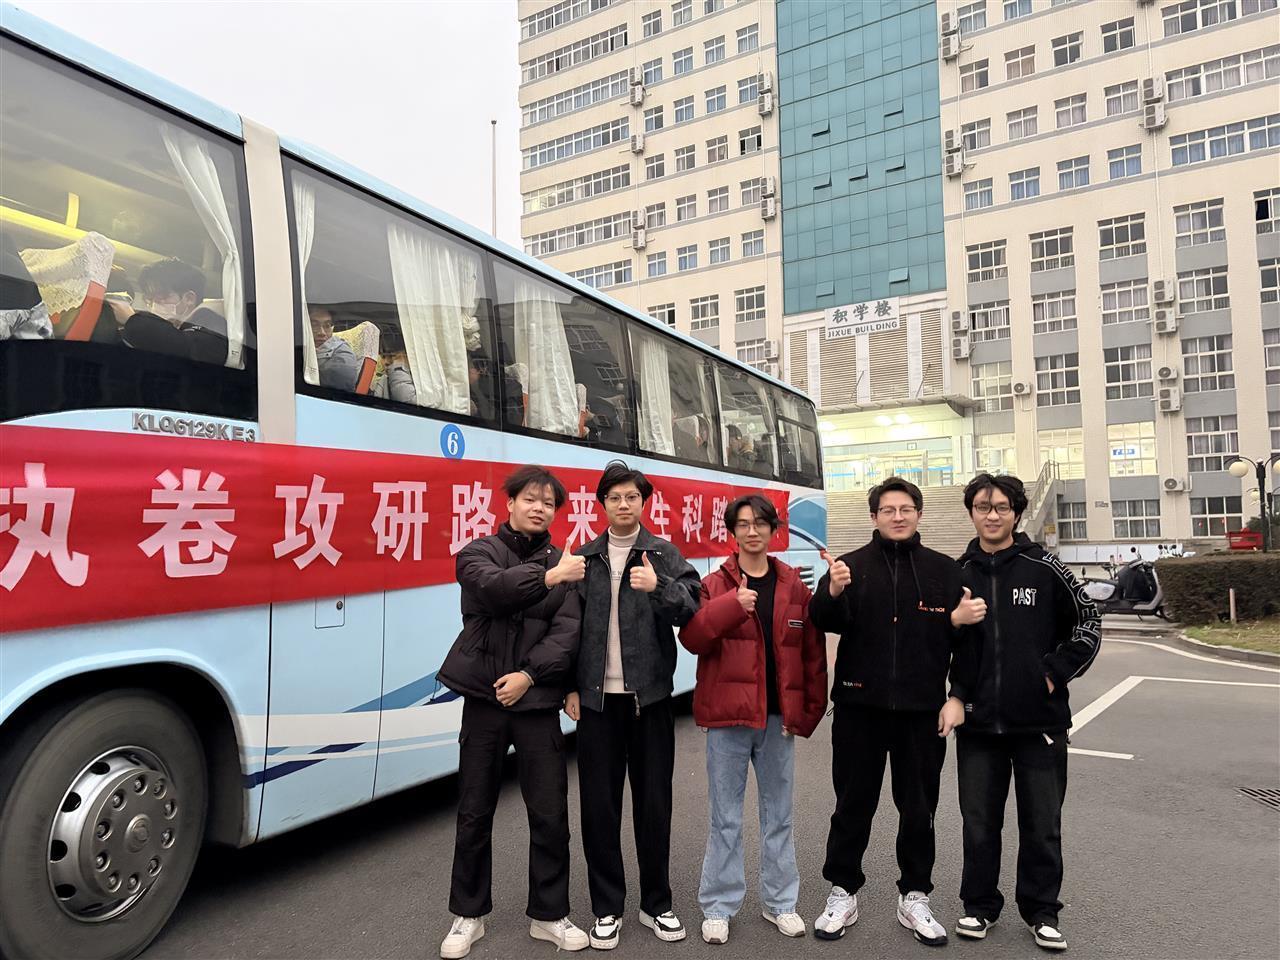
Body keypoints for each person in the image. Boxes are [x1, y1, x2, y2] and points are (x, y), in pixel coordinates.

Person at [435, 465, 590, 959]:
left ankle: (549, 915)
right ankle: (468, 914)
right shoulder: (478, 552)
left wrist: (528, 675)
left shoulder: (565, 562)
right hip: (484, 699)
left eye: (549, 503)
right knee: (474, 811)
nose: (539, 508)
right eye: (530, 499)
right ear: (510, 503)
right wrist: (549, 576)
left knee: (549, 813)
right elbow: (493, 591)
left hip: (536, 702)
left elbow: (567, 634)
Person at [809, 476, 967, 947]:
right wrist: (833, 591)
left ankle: (915, 894)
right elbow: (822, 620)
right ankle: (843, 890)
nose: (897, 517)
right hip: (859, 707)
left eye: (905, 509)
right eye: (888, 510)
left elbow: (966, 641)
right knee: (851, 805)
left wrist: (957, 694)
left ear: (919, 514)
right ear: (874, 516)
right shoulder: (850, 566)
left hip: (922, 710)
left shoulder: (944, 571)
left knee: (919, 808)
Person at [948, 473, 1101, 952]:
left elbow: (1089, 622)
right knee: (979, 824)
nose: (992, 515)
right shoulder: (957, 573)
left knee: (1042, 824)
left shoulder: (1045, 566)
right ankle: (979, 906)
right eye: (982, 507)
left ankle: (1042, 912)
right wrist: (953, 631)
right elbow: (937, 641)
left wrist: (1053, 673)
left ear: (1016, 512)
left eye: (1001, 507)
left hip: (1040, 723)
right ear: (971, 513)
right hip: (978, 724)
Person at [563, 461, 701, 950]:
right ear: (602, 504)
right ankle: (607, 907)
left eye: (632, 497)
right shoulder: (585, 558)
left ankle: (656, 903)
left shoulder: (663, 553)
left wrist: (658, 587)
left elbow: (694, 606)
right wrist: (570, 687)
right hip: (598, 704)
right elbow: (569, 628)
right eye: (615, 497)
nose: (624, 505)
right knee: (599, 808)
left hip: (651, 702)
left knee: (654, 805)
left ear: (644, 503)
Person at [679, 494, 828, 945]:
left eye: (760, 523)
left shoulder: (793, 585)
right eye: (742, 524)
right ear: (732, 532)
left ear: (773, 530)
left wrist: (806, 714)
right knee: (725, 818)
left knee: (778, 816)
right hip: (728, 721)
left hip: (777, 721)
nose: (752, 531)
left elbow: (812, 654)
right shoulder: (714, 584)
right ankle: (719, 905)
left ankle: (781, 902)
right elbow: (693, 639)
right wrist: (732, 606)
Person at [119, 258, 227, 364]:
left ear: (189, 298)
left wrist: (131, 319)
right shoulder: (173, 330)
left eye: (162, 297)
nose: (154, 304)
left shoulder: (213, 325)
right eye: (150, 299)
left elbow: (187, 350)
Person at [308, 305, 361, 392]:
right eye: (314, 325)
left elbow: (342, 377)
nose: (322, 333)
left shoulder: (341, 349)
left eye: (327, 325)